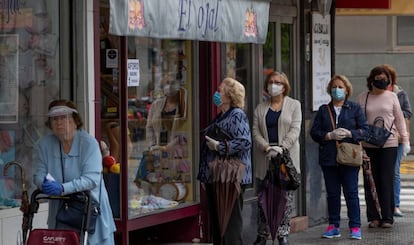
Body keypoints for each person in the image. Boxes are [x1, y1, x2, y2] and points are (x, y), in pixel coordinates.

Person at [33, 99, 116, 245]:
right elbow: (39, 173)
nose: (59, 122)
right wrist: (43, 184)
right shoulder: (44, 144)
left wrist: (63, 188)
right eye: (54, 118)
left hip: (90, 210)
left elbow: (91, 179)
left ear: (75, 121)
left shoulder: (88, 143)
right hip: (61, 212)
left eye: (64, 117)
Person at [311, 75, 369, 240]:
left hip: (349, 157)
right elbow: (314, 132)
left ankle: (355, 226)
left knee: (351, 192)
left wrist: (351, 133)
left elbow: (365, 130)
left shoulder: (355, 108)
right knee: (332, 193)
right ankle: (333, 225)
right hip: (329, 158)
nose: (337, 90)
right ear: (330, 90)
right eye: (334, 87)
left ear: (347, 89)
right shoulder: (324, 110)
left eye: (340, 87)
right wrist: (328, 135)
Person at [198, 77, 252, 245]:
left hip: (231, 177)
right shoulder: (222, 115)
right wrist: (204, 176)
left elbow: (245, 142)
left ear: (229, 95)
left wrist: (220, 146)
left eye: (220, 91)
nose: (216, 93)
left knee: (230, 223)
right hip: (217, 177)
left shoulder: (237, 115)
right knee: (218, 223)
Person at [356, 66, 410, 228]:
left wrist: (405, 140)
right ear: (371, 80)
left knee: (386, 180)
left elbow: (400, 119)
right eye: (379, 78)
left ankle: (387, 217)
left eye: (385, 79)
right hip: (367, 144)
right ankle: (373, 216)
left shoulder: (392, 96)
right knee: (370, 180)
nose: (382, 81)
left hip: (389, 144)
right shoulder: (362, 98)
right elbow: (357, 120)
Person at [252, 71, 302, 245]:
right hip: (265, 158)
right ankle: (262, 234)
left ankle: (283, 234)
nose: (274, 85)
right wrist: (266, 147)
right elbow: (255, 131)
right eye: (271, 82)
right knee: (263, 199)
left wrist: (281, 148)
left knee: (285, 199)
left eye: (278, 82)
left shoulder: (294, 105)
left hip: (285, 160)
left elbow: (295, 130)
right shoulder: (260, 107)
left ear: (284, 86)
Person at [381, 64, 412, 217]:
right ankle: (382, 205)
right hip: (379, 139)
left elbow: (408, 112)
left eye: (385, 78)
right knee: (380, 172)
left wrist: (393, 111)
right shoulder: (373, 94)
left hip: (397, 137)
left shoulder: (400, 94)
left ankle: (395, 205)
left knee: (394, 171)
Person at [146, 74, 184, 152]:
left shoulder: (182, 105)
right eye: (166, 83)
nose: (169, 86)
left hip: (176, 152)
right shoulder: (156, 105)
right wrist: (152, 146)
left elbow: (183, 131)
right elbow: (149, 127)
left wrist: (167, 148)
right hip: (157, 150)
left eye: (172, 83)